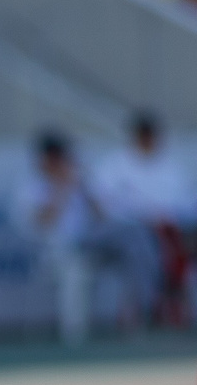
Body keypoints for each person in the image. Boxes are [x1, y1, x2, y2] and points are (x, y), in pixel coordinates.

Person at [13, 131, 157, 345]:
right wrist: (61, 188)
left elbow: (102, 217)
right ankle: (75, 335)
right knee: (76, 269)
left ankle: (137, 315)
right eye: (54, 158)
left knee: (135, 242)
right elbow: (44, 223)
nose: (59, 163)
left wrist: (85, 188)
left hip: (91, 244)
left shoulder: (78, 182)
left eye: (61, 157)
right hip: (57, 251)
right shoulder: (31, 188)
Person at [92, 111, 195, 325]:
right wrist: (143, 217)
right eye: (142, 134)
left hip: (166, 230)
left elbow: (187, 205)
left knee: (177, 244)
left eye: (150, 134)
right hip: (125, 232)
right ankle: (145, 306)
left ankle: (171, 305)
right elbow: (102, 205)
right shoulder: (116, 164)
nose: (146, 139)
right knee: (139, 241)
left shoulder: (170, 167)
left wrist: (162, 218)